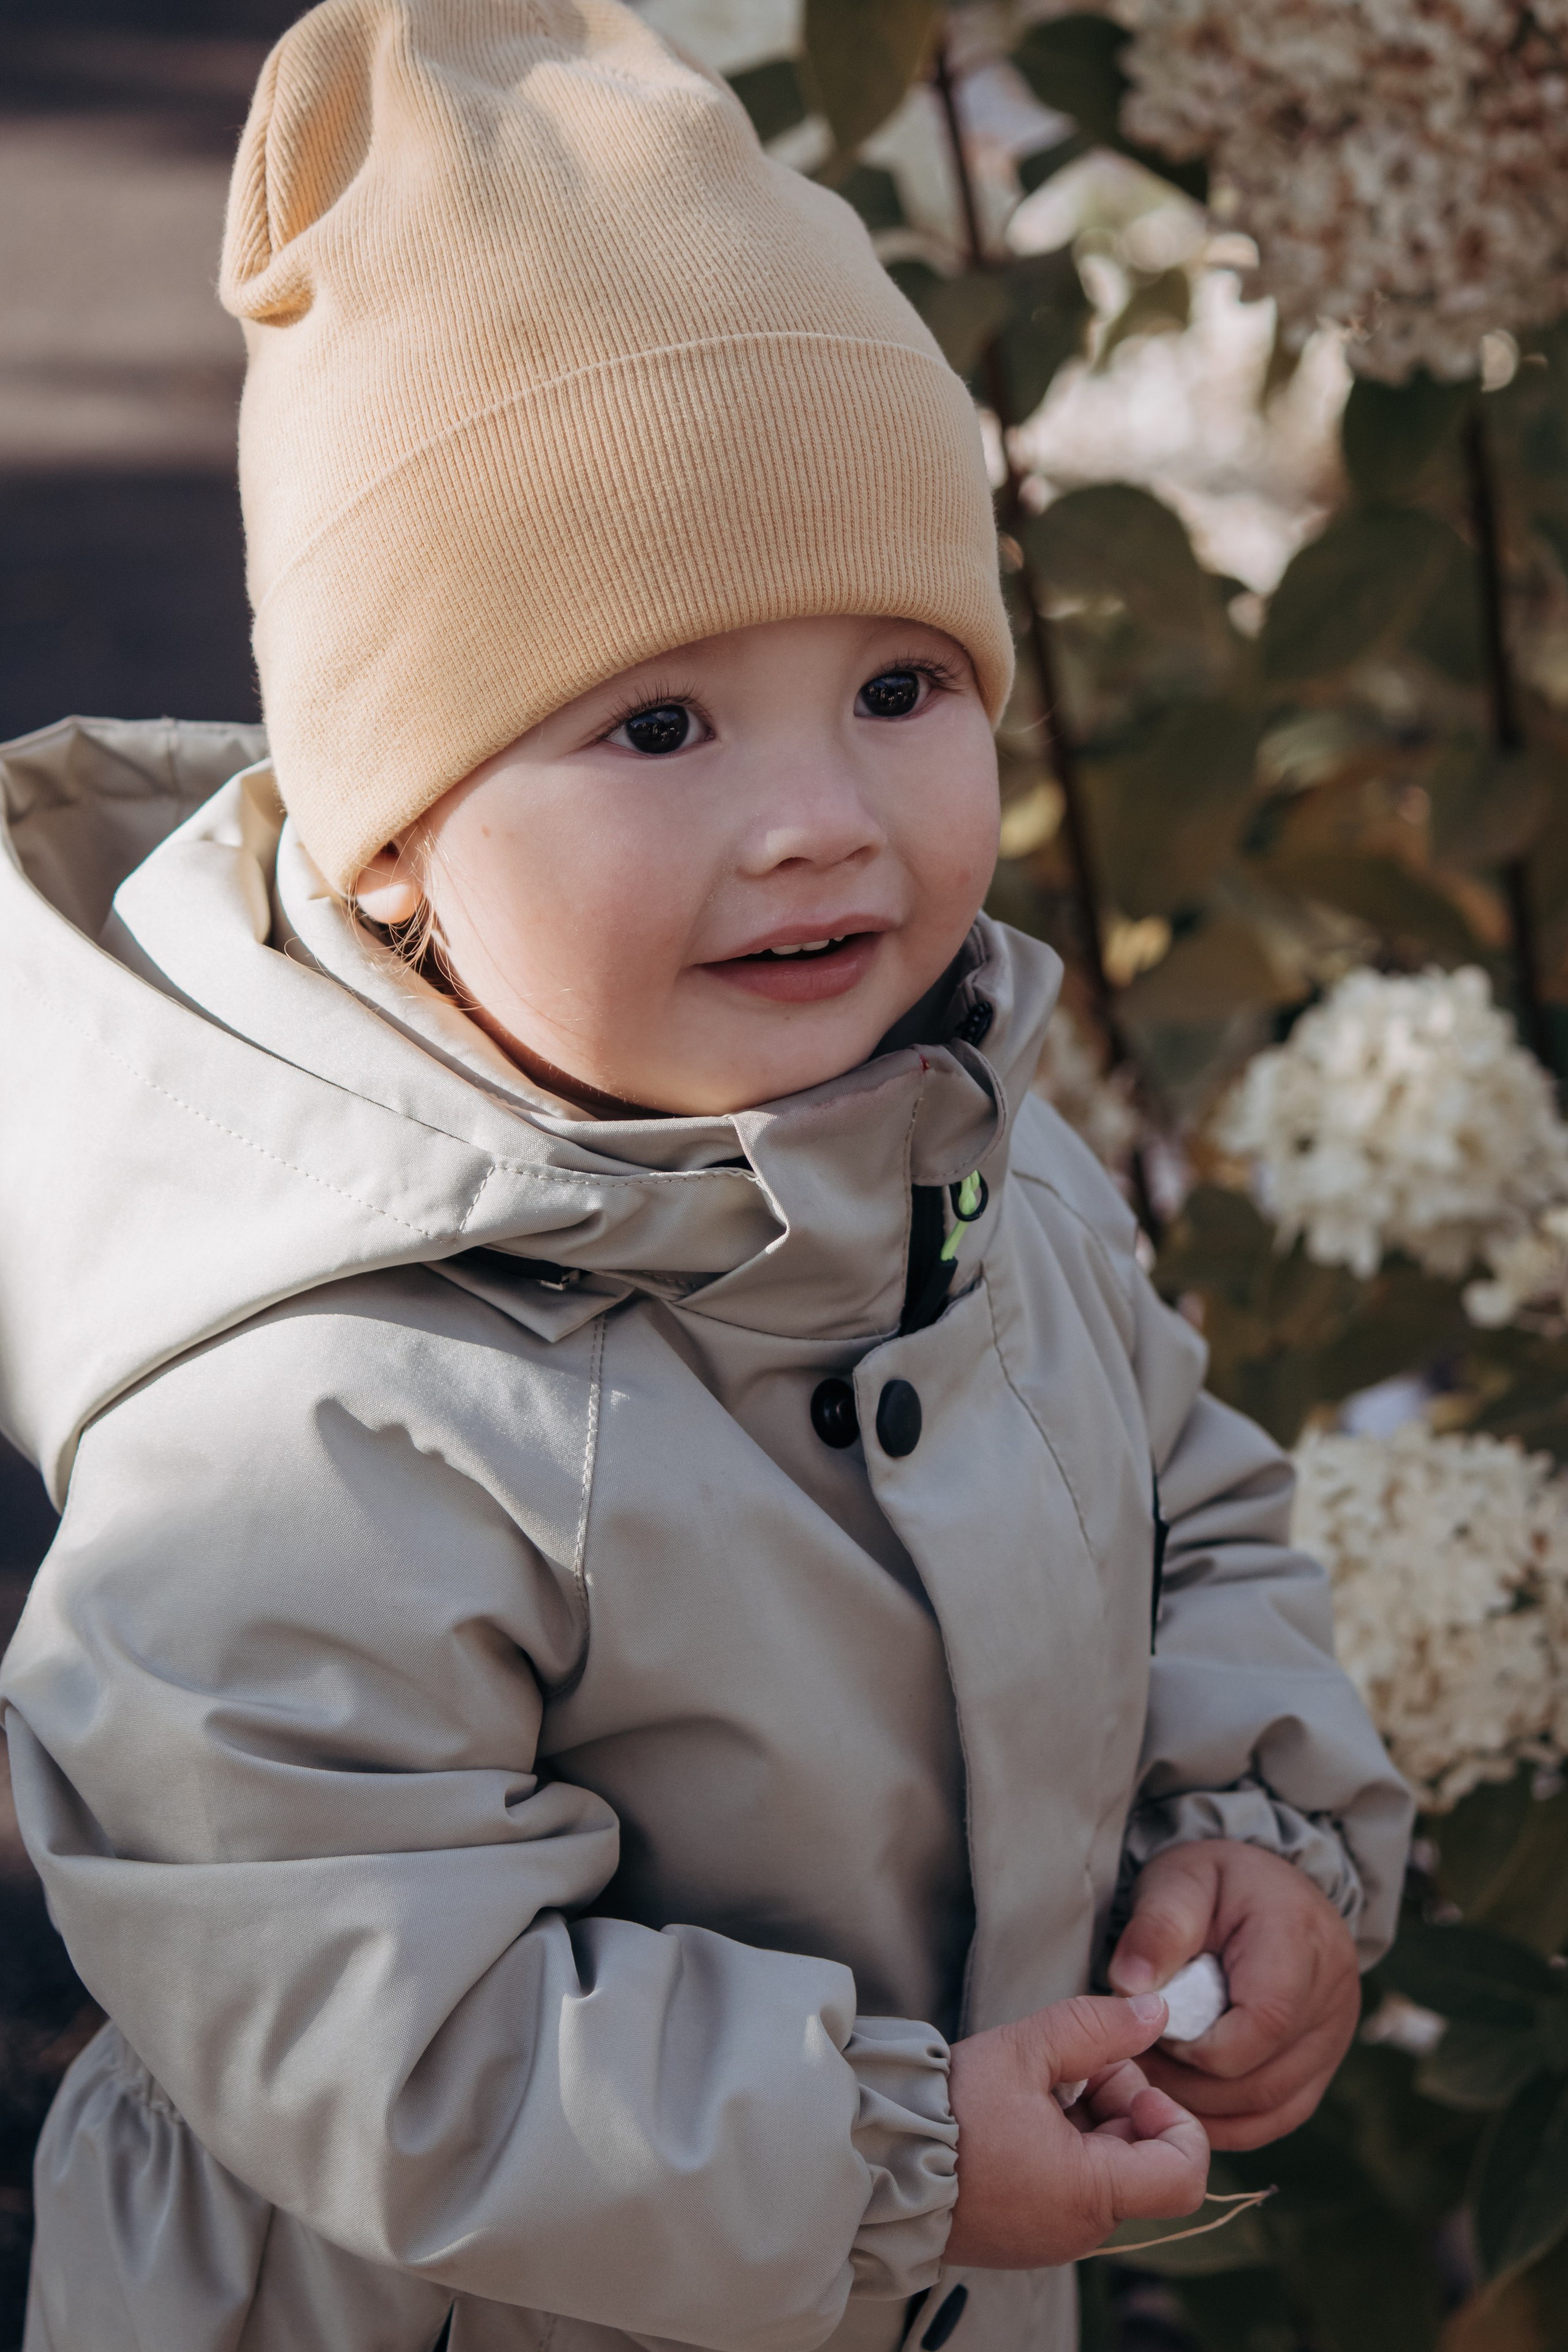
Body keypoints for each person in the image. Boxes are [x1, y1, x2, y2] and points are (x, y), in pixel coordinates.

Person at [0, 4, 1412, 2348]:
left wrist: (1247, 1836)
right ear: (397, 850)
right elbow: (371, 2019)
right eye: (659, 723)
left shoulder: (957, 1145)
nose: (823, 819)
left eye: (901, 684)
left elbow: (1188, 1504)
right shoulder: (311, 1412)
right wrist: (890, 2151)